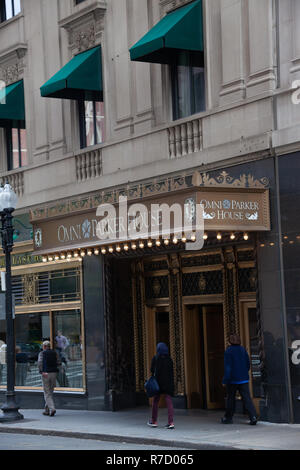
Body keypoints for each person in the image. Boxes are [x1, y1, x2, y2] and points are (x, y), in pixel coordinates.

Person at [221, 334, 258, 425]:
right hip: (243, 379)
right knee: (247, 398)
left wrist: (225, 380)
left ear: (230, 341)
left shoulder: (228, 351)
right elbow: (247, 363)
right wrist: (244, 372)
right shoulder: (242, 349)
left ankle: (228, 418)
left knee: (231, 399)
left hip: (232, 379)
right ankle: (253, 416)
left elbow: (228, 367)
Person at [147, 342, 175, 429]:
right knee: (169, 401)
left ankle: (154, 421)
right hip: (168, 383)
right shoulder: (170, 359)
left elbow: (152, 370)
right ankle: (171, 422)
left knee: (155, 401)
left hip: (158, 383)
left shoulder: (156, 358)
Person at [38, 340, 61, 417]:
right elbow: (58, 362)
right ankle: (46, 410)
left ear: (44, 347)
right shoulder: (55, 353)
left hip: (46, 373)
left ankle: (52, 408)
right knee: (50, 391)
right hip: (54, 373)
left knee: (47, 392)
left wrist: (41, 371)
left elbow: (40, 363)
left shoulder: (42, 353)